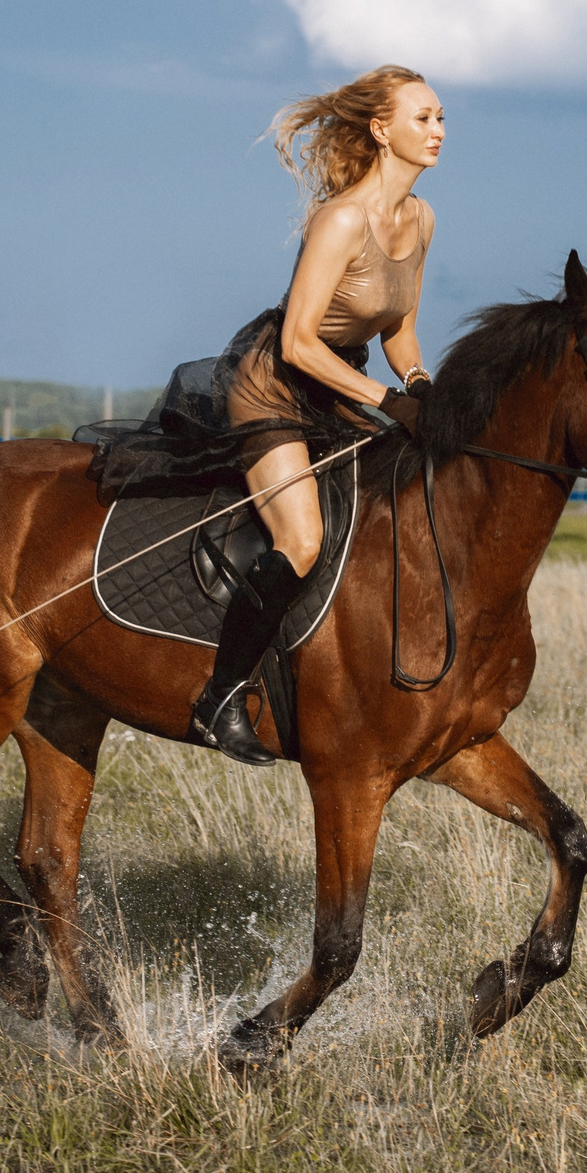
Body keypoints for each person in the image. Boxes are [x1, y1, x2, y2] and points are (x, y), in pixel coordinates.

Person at [179, 65, 444, 763]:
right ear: (382, 130)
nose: (439, 130)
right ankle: (220, 697)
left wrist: (420, 385)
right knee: (300, 539)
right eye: (423, 118)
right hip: (275, 383)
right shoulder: (342, 218)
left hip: (341, 384)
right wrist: (388, 401)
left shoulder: (421, 218)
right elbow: (299, 341)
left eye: (441, 117)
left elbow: (399, 333)